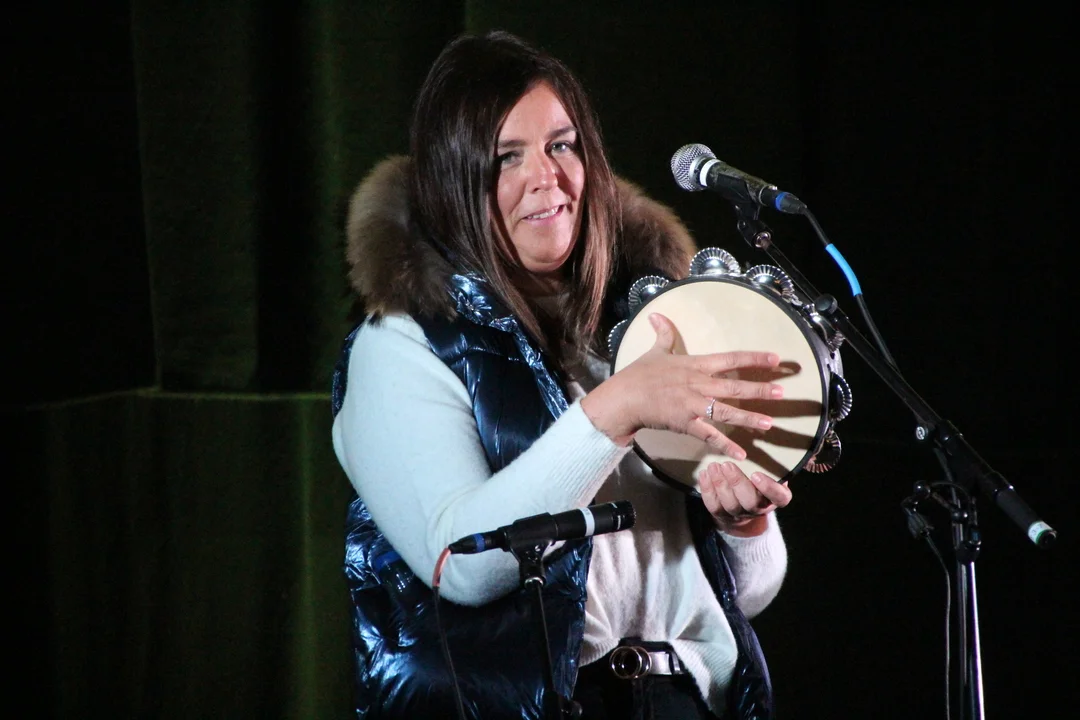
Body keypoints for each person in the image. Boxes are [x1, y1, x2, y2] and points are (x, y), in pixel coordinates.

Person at [331, 30, 792, 720]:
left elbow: (741, 599)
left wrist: (745, 523)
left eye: (562, 145)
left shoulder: (644, 328)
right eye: (506, 157)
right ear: (453, 183)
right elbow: (467, 564)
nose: (546, 176)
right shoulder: (400, 347)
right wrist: (616, 410)